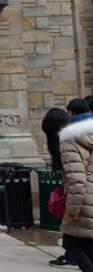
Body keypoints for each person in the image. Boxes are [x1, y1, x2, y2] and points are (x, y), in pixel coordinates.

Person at [42, 108, 77, 269]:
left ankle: (71, 256)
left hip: (81, 194)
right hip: (81, 192)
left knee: (77, 242)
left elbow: (77, 177)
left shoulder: (67, 145)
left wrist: (73, 206)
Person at [58, 108, 93, 271]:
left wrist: (71, 213)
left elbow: (77, 181)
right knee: (86, 245)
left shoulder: (69, 141)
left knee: (70, 242)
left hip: (83, 203)